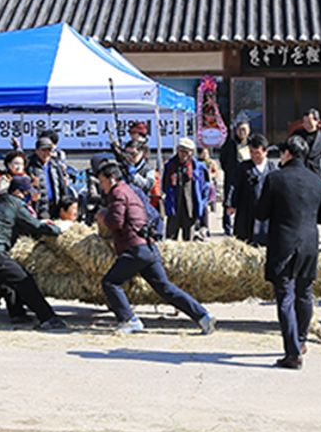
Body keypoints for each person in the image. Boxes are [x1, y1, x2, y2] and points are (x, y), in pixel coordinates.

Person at [96, 162, 214, 336]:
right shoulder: (130, 190)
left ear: (111, 179)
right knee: (165, 288)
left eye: (102, 181)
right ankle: (203, 316)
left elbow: (116, 222)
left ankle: (129, 320)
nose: (101, 185)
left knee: (110, 282)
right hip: (148, 247)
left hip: (134, 248)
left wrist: (103, 216)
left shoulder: (117, 192)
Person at [255, 135, 321, 369]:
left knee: (285, 295)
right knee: (305, 293)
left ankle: (292, 352)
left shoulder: (275, 178)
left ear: (288, 154)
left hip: (283, 242)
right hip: (309, 242)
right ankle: (301, 340)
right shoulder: (318, 181)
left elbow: (261, 213)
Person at [0, 176, 66, 330]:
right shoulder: (16, 204)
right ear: (18, 192)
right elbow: (36, 227)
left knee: (7, 281)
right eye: (26, 193)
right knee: (24, 280)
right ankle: (48, 318)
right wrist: (59, 229)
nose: (28, 196)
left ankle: (17, 314)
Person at [229, 134, 275, 246]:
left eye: (257, 153)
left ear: (265, 152)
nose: (254, 156)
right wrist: (230, 204)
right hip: (246, 210)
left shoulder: (273, 169)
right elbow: (234, 186)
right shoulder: (243, 168)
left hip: (265, 213)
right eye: (251, 153)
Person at [162, 138, 211, 241]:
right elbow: (165, 186)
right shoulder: (170, 166)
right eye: (181, 150)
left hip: (190, 209)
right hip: (174, 209)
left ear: (191, 152)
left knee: (189, 241)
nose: (183, 154)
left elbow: (205, 187)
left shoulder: (198, 167)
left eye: (186, 151)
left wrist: (201, 203)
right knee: (170, 240)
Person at [219, 120, 252, 234]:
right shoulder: (230, 144)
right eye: (240, 130)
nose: (242, 132)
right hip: (232, 176)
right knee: (229, 200)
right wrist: (229, 169)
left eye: (244, 130)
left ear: (249, 131)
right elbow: (222, 159)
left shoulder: (250, 144)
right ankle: (227, 226)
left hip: (247, 177)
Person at [28, 136, 72, 220]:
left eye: (49, 150)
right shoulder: (30, 166)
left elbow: (62, 186)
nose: (46, 153)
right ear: (37, 151)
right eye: (43, 150)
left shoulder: (55, 165)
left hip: (56, 205)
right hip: (39, 206)